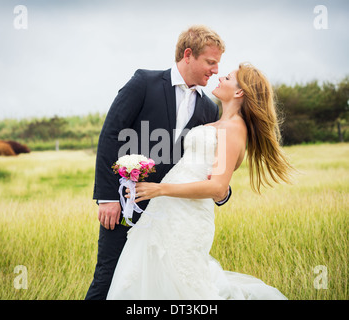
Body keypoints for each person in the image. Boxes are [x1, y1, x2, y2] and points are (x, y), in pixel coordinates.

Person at [106, 62, 294, 300]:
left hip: (188, 213)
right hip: (167, 208)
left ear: (239, 92)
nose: (219, 78)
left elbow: (218, 186)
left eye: (227, 78)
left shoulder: (235, 128)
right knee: (149, 271)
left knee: (183, 279)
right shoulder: (215, 122)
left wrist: (160, 189)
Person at [85, 25, 231, 300]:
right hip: (127, 203)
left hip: (173, 216)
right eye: (210, 62)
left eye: (217, 64)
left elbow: (206, 162)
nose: (214, 70)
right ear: (188, 55)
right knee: (109, 277)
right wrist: (107, 198)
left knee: (161, 288)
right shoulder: (144, 82)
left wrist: (220, 190)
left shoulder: (209, 108)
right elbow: (111, 134)